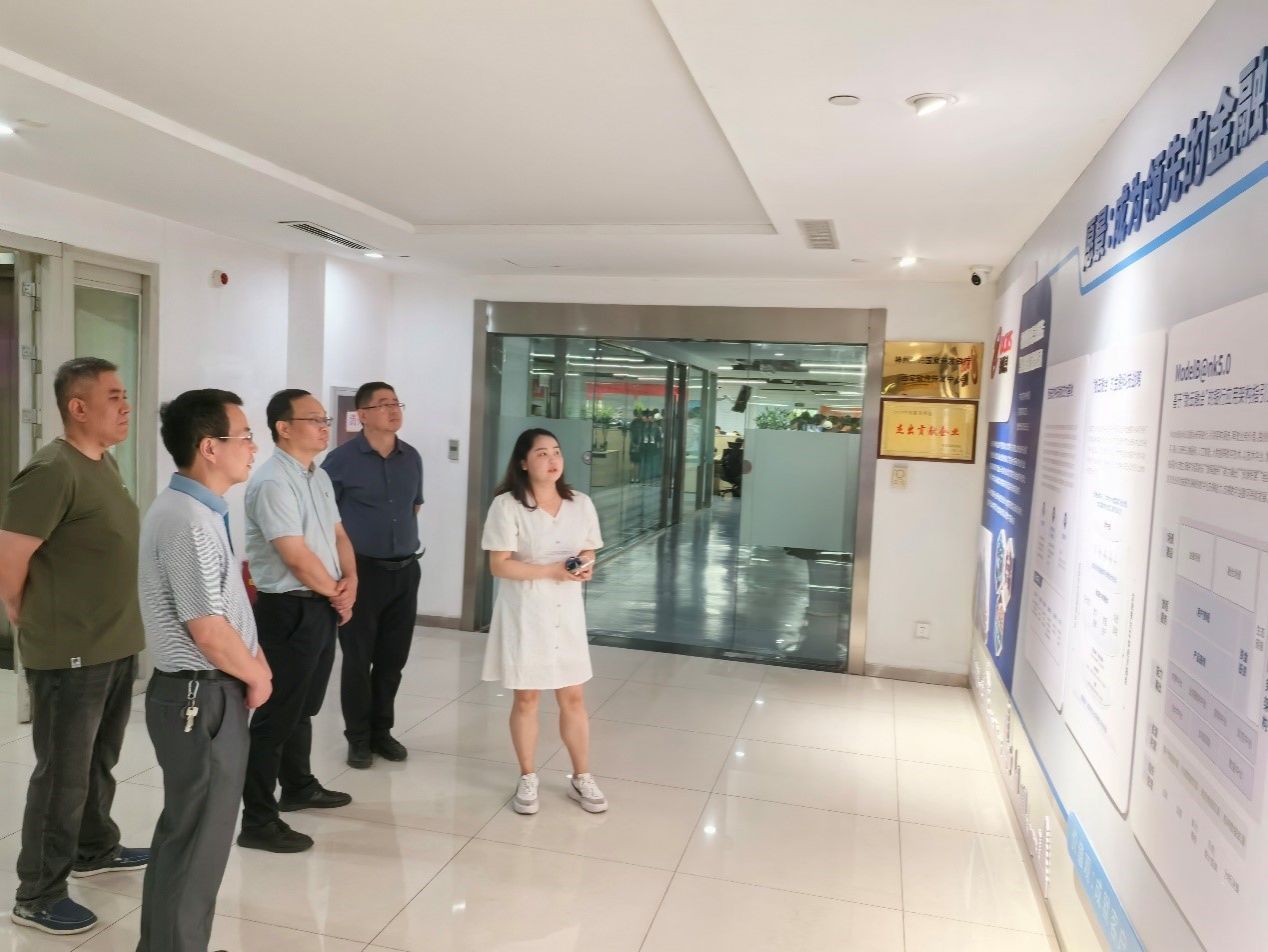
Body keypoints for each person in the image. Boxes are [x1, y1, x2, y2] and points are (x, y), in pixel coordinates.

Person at [0, 358, 149, 936]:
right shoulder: (50, 470)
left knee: (97, 761)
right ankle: (38, 893)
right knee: (62, 773)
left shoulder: (102, 462)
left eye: (125, 394)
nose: (125, 405)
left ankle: (93, 847)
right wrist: (23, 611)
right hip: (70, 652)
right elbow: (10, 558)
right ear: (78, 407)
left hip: (113, 642)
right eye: (113, 396)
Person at [136, 389, 272, 951]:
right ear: (209, 447)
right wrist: (258, 676)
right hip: (200, 697)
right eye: (245, 437)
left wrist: (255, 659)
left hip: (207, 693)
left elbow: (223, 609)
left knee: (194, 838)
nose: (253, 447)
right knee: (197, 844)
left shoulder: (201, 511)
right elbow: (208, 631)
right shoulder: (187, 520)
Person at [238, 389, 356, 853]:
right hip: (288, 608)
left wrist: (350, 581)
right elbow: (294, 554)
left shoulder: (317, 476)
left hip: (320, 603)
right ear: (283, 428)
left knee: (302, 705)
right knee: (275, 715)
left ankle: (299, 785)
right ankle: (258, 819)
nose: (325, 426)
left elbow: (339, 535)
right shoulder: (272, 482)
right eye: (314, 419)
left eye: (325, 419)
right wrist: (337, 594)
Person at [481, 428, 607, 815]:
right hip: (526, 611)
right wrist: (551, 571)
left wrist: (585, 565)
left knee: (573, 696)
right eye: (541, 453)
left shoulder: (580, 503)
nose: (552, 460)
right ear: (523, 462)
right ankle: (527, 776)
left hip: (566, 611)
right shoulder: (507, 505)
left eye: (556, 452)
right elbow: (499, 565)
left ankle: (581, 776)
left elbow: (588, 548)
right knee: (527, 697)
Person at [322, 382, 424, 769]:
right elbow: (326, 521)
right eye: (382, 404)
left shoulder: (411, 457)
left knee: (392, 659)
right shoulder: (340, 461)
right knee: (357, 659)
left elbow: (414, 507)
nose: (393, 410)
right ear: (362, 415)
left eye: (396, 402)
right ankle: (358, 737)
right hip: (360, 572)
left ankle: (383, 731)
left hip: (405, 571)